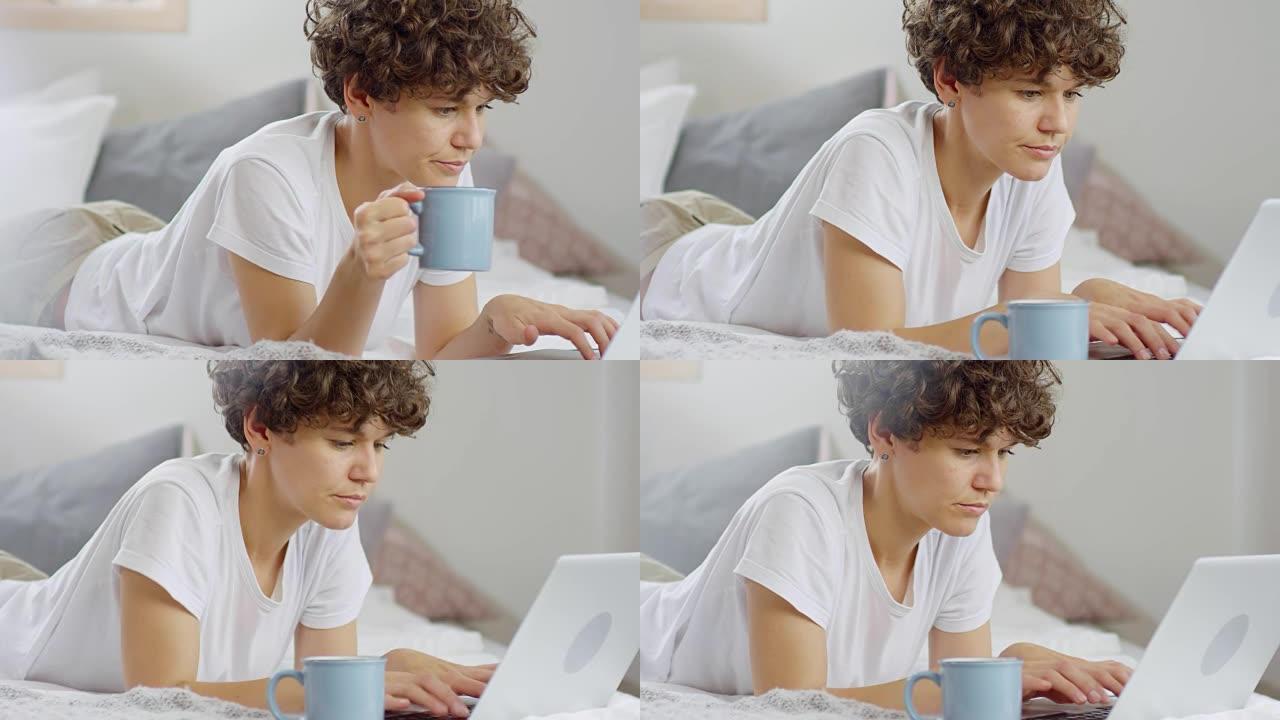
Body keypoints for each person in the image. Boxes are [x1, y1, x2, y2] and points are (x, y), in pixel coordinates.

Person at [0, 0, 617, 359]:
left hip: (149, 239)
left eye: (481, 108)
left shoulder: (446, 173)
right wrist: (360, 271)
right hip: (66, 261)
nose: (472, 137)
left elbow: (440, 350)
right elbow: (297, 360)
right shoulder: (265, 173)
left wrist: (496, 320)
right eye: (445, 108)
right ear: (362, 95)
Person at [640, 0, 1200, 359]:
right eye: (1030, 92)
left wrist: (1079, 298)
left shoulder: (1031, 162)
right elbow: (869, 346)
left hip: (738, 234)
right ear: (951, 79)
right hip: (668, 244)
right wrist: (1029, 319)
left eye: (1071, 95)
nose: (1057, 124)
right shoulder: (877, 150)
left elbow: (1021, 320)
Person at [640, 361, 1133, 713]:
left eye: (1003, 454)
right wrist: (970, 688)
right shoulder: (799, 509)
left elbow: (952, 690)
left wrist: (1008, 667)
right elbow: (789, 706)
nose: (992, 481)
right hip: (636, 628)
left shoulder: (959, 525)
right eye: (966, 451)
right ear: (885, 433)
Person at [0, 361, 484, 717]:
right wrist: (355, 684)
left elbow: (319, 684)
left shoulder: (328, 516)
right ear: (260, 427)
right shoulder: (179, 499)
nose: (369, 472)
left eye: (379, 445)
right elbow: (159, 697)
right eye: (342, 443)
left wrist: (384, 669)